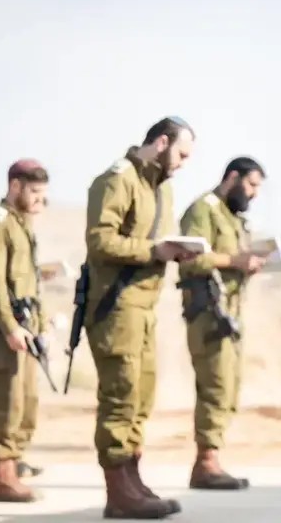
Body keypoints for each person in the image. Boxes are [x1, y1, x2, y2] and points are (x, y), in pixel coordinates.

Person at [84, 117, 199, 519]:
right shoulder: (118, 179)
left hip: (144, 308)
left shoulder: (159, 188)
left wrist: (175, 251)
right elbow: (100, 240)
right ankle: (118, 492)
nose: (183, 163)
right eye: (182, 153)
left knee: (140, 397)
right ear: (162, 142)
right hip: (116, 307)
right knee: (120, 397)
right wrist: (154, 251)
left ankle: (132, 480)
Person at [177, 156, 267, 490]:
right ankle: (206, 462)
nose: (254, 193)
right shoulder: (204, 209)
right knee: (215, 384)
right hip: (208, 313)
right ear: (233, 177)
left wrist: (248, 264)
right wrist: (234, 260)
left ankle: (212, 458)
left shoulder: (233, 217)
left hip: (230, 315)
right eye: (251, 184)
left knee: (229, 386)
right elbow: (189, 259)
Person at [0, 159, 50, 502]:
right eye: (34, 192)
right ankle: (1, 478)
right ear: (15, 186)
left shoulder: (21, 225)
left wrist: (41, 326)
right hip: (3, 332)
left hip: (25, 329)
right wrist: (10, 326)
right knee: (6, 403)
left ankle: (14, 466)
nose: (40, 201)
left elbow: (29, 282)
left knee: (26, 402)